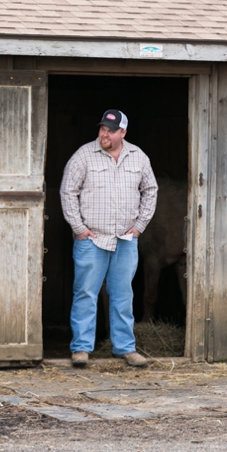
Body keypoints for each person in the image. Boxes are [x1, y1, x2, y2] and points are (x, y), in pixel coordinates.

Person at [59, 110, 158, 368]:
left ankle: (125, 348)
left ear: (122, 133)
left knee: (123, 294)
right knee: (86, 293)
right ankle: (81, 348)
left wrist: (139, 227)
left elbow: (150, 191)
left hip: (125, 240)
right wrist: (79, 228)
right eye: (102, 128)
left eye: (110, 130)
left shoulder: (138, 157)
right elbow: (68, 192)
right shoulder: (83, 156)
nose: (104, 133)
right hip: (92, 239)